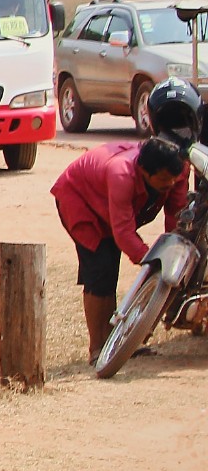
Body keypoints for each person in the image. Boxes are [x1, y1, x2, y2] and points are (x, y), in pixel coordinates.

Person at [51, 134, 188, 366]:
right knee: (100, 272)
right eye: (165, 179)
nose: (170, 184)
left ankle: (115, 342)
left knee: (109, 271)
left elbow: (176, 215)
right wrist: (152, 259)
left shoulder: (177, 173)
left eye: (174, 179)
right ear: (145, 171)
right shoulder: (121, 172)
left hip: (114, 211)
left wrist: (175, 250)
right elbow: (123, 231)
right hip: (80, 203)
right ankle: (98, 347)